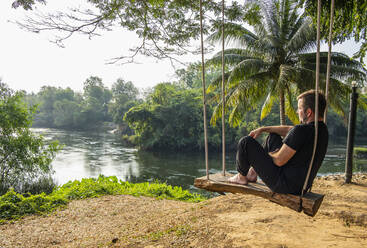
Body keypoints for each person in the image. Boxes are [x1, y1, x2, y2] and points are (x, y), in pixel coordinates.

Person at [228, 90, 329, 195]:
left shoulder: (302, 130)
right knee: (273, 137)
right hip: (301, 185)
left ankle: (241, 177)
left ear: (308, 112)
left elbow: (278, 161)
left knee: (245, 142)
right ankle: (252, 173)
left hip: (285, 185)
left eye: (299, 108)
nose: (297, 111)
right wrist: (263, 129)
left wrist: (266, 155)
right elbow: (290, 130)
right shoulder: (321, 130)